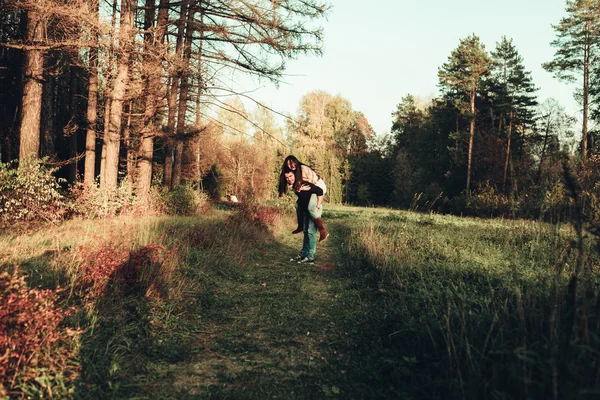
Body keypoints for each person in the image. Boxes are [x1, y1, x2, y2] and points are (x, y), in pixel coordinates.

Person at [278, 155, 329, 242]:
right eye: (289, 165)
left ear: (296, 161)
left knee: (311, 208)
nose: (291, 166)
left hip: (318, 186)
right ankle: (300, 225)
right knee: (298, 204)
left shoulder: (302, 168)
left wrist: (318, 204)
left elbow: (311, 183)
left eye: (292, 163)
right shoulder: (296, 171)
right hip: (313, 187)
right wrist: (299, 187)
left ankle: (323, 230)